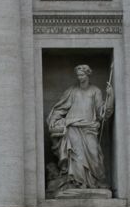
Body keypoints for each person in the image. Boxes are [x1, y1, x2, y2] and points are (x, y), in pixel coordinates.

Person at [46, 64, 114, 192]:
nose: (80, 77)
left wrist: (110, 97)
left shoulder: (95, 91)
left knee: (94, 155)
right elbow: (60, 108)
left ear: (88, 75)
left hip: (89, 128)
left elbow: (102, 113)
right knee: (76, 156)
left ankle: (94, 182)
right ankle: (77, 183)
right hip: (73, 127)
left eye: (82, 75)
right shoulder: (72, 91)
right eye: (78, 75)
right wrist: (54, 120)